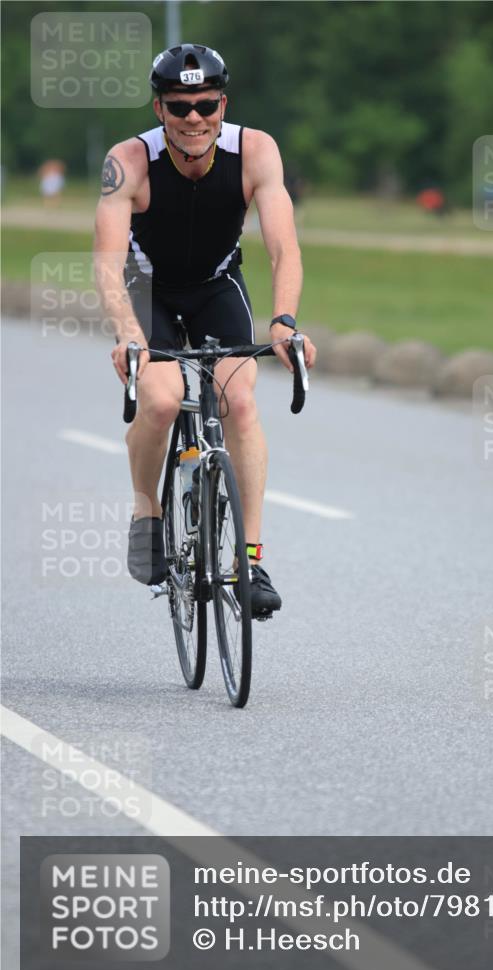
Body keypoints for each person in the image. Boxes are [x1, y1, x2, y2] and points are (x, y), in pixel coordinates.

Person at [94, 43, 316, 617]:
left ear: (224, 103)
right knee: (164, 400)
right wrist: (127, 333)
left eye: (206, 104)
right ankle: (148, 515)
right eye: (179, 106)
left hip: (217, 284)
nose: (194, 118)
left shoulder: (257, 151)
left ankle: (250, 561)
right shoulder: (128, 160)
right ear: (159, 108)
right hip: (148, 289)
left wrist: (285, 321)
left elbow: (283, 247)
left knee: (239, 400)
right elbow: (106, 260)